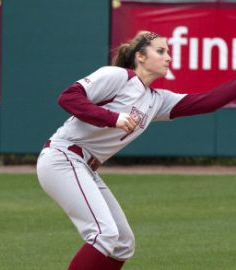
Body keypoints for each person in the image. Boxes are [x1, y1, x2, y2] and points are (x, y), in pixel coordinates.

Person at [36, 30, 236, 270]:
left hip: (83, 166)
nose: (168, 57)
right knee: (105, 235)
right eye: (160, 51)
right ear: (140, 56)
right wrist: (112, 118)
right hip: (63, 157)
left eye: (168, 52)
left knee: (122, 243)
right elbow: (68, 97)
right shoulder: (118, 76)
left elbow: (208, 101)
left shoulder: (156, 100)